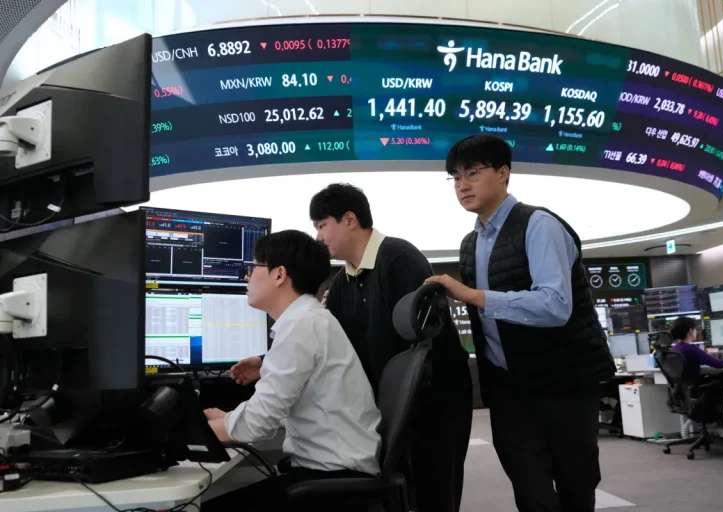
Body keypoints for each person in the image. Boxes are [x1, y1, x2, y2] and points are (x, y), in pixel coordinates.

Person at [427, 134, 616, 512]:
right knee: (530, 489)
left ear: (503, 173)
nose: (462, 185)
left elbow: (555, 305)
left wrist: (475, 296)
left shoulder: (539, 225)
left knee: (575, 484)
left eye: (473, 173)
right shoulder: (470, 243)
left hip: (563, 381)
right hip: (507, 387)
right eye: (455, 177)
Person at [310, 183, 473, 512]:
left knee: (435, 493)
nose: (318, 236)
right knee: (401, 495)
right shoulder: (342, 283)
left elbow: (428, 337)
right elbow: (325, 342)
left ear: (350, 220)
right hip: (393, 407)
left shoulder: (399, 258)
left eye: (322, 225)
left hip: (435, 400)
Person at [203, 230, 381, 511]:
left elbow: (258, 424)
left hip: (332, 483)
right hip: (333, 473)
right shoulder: (308, 321)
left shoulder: (302, 326)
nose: (247, 277)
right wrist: (229, 420)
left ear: (279, 275)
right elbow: (275, 411)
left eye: (253, 268)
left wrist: (187, 433)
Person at [669, 316, 723, 414]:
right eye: (695, 329)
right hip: (695, 388)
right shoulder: (690, 348)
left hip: (685, 390)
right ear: (690, 331)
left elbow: (692, 361)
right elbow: (717, 364)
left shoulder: (675, 349)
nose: (696, 331)